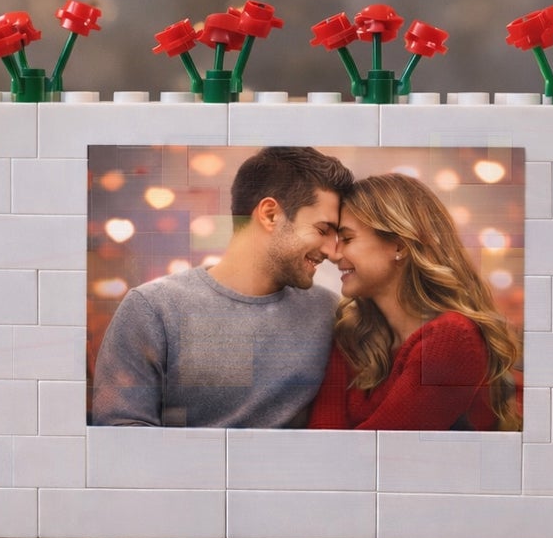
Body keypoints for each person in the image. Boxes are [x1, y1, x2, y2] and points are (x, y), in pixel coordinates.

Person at [89, 145, 353, 428]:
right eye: (322, 230)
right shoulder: (152, 309)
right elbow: (121, 436)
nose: (333, 251)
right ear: (270, 215)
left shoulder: (329, 312)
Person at [307, 172, 522, 432]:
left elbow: (380, 452)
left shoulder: (454, 338)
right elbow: (322, 436)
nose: (334, 253)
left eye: (348, 239)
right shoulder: (351, 334)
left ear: (400, 246)